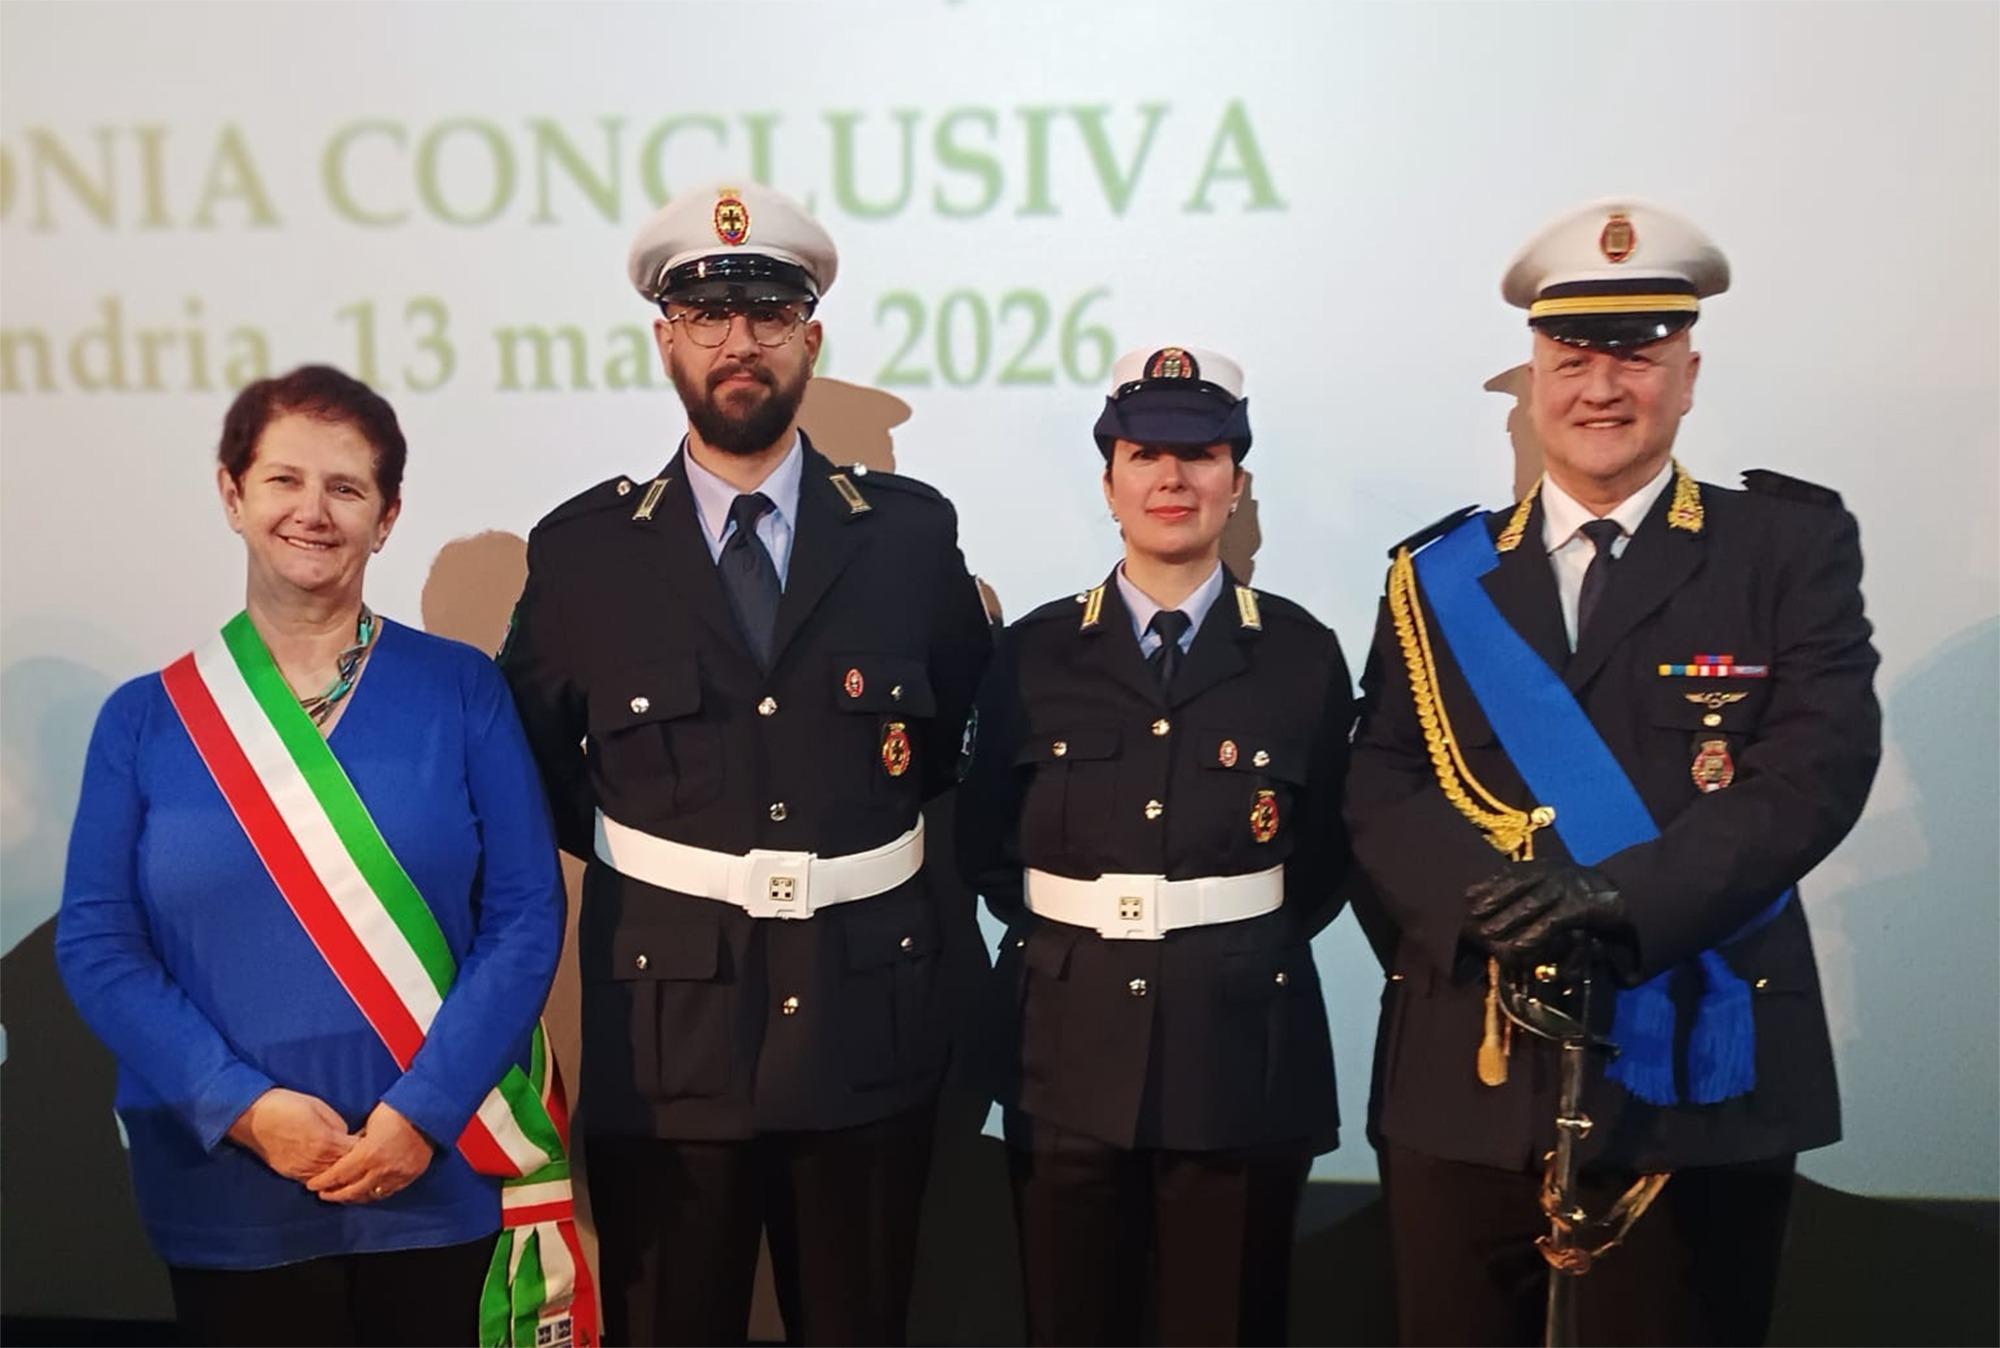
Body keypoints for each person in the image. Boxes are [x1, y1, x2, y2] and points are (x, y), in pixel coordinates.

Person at [1345, 199, 1881, 1346]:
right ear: (1534, 377)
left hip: (1692, 1062)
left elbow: (1815, 767)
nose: (1600, 387)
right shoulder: (1435, 575)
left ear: (1687, 375)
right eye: (1571, 358)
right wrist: (1481, 911)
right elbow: (1380, 779)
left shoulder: (1783, 549)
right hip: (1471, 1064)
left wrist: (1619, 897)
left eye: (1634, 357)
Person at [499, 181, 993, 1346]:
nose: (739, 342)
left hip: (863, 1033)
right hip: (667, 1047)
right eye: (707, 315)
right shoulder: (583, 556)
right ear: (665, 338)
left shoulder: (908, 538)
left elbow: (939, 756)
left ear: (808, 339)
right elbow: (540, 777)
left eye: (769, 313)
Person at [56, 365, 581, 1347]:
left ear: (386, 518)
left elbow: (524, 916)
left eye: (346, 487)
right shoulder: (144, 718)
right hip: (228, 1183)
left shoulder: (461, 690)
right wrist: (242, 1107)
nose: (313, 510)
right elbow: (98, 945)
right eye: (283, 480)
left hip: (432, 1171)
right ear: (232, 495)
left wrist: (423, 1112)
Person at [956, 346, 1354, 1345]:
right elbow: (986, 846)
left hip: (1238, 1056)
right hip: (1063, 1050)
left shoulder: (1300, 654)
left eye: (1200, 454)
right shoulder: (1033, 654)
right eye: (1143, 455)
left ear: (1237, 481)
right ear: (1109, 484)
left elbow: (1321, 863)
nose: (1171, 478)